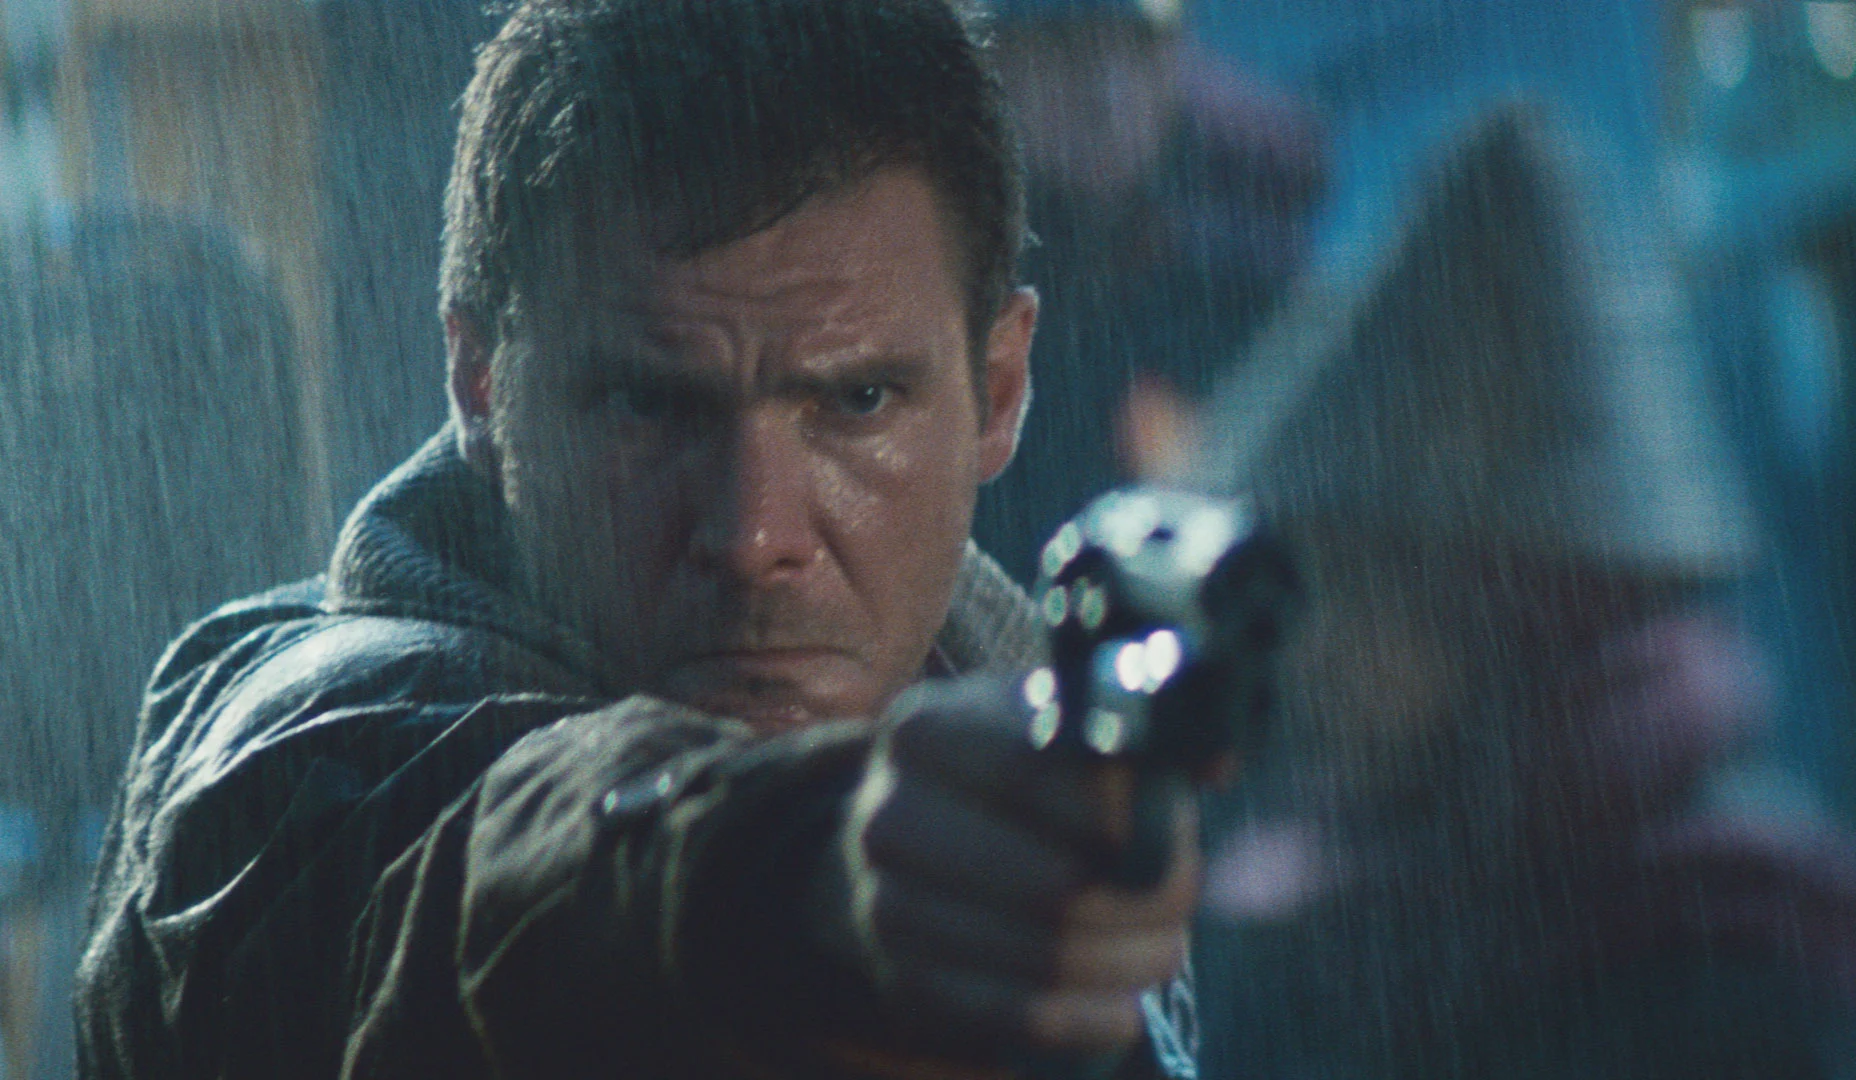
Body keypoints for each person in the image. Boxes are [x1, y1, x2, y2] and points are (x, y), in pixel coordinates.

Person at [74, 2, 1201, 1078]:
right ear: (479, 384)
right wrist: (813, 873)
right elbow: (470, 862)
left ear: (999, 388)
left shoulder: (1019, 715)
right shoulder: (294, 767)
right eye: (648, 406)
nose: (753, 534)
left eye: (858, 400)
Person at [970, 0, 1323, 574]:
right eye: (1068, 54)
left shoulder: (1250, 245)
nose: (1105, 97)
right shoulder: (937, 272)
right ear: (994, 71)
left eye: (1136, 52)